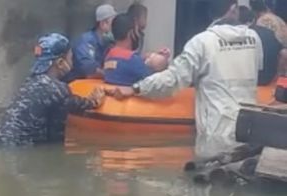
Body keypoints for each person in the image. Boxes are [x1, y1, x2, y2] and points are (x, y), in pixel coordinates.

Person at [108, 0, 263, 152]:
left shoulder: (201, 43)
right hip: (249, 131)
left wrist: (136, 88)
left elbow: (172, 80)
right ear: (234, 8)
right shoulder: (254, 39)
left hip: (216, 136)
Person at [0, 33, 105, 148]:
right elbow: (56, 138)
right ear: (60, 63)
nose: (73, 62)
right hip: (15, 146)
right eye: (70, 58)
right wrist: (93, 102)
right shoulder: (57, 89)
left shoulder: (30, 82)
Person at [104, 13, 168, 86]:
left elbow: (123, 65)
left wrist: (147, 57)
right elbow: (155, 83)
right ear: (131, 33)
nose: (138, 34)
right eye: (137, 31)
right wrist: (162, 61)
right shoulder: (132, 60)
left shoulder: (108, 56)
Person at [66, 4, 118, 81]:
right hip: (78, 84)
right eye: (113, 24)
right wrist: (111, 76)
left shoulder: (108, 43)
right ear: (103, 24)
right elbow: (89, 71)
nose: (116, 28)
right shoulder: (86, 40)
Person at [239, 5, 283, 85]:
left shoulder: (236, 36)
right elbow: (283, 53)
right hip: (270, 80)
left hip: (247, 82)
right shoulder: (268, 32)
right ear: (253, 19)